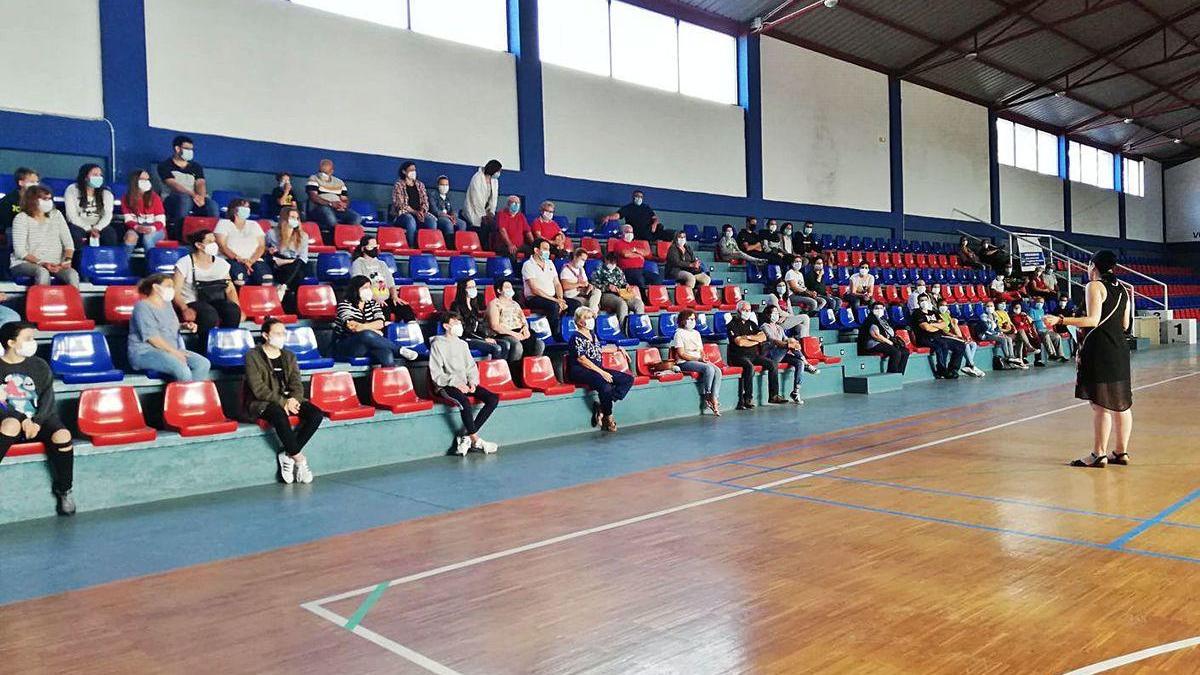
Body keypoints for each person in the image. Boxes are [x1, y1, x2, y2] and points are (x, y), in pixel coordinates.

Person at [1042, 250, 1133, 468]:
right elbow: (1125, 325)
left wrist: (1060, 319)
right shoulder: (1124, 290)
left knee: (1100, 404)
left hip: (1100, 350)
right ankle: (1121, 452)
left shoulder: (1094, 286)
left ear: (1094, 266)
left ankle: (1098, 454)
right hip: (1119, 349)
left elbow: (1092, 320)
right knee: (1121, 403)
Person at [0, 322, 75, 515]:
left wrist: (37, 421)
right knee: (10, 425)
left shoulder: (39, 365)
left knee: (63, 436)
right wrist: (21, 418)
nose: (32, 343)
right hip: (11, 418)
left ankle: (64, 489)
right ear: (11, 342)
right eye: (27, 338)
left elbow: (48, 399)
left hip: (39, 419)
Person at [243, 317, 322, 483]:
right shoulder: (252, 356)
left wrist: (294, 399)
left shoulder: (289, 356)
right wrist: (282, 402)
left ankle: (287, 455)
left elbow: (297, 383)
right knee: (279, 415)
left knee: (316, 415)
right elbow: (258, 389)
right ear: (265, 335)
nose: (282, 336)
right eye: (277, 333)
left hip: (290, 399)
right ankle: (300, 460)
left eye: (283, 333)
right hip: (263, 402)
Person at [430, 312, 500, 454]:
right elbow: (436, 375)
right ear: (446, 326)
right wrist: (455, 383)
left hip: (465, 383)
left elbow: (471, 367)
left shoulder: (462, 344)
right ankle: (475, 439)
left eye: (459, 322)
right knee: (464, 402)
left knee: (493, 398)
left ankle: (467, 437)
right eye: (455, 323)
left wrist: (473, 382)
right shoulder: (437, 344)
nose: (459, 325)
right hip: (446, 385)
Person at [128, 273, 211, 381]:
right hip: (145, 352)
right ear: (156, 287)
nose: (172, 289)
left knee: (203, 364)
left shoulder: (167, 305)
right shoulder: (142, 307)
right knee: (182, 369)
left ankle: (190, 396)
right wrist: (175, 353)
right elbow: (152, 338)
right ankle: (182, 397)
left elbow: (168, 326)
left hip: (170, 350)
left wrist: (185, 326)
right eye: (168, 286)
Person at [567, 307, 633, 432]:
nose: (591, 320)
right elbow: (582, 359)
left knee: (627, 379)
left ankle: (602, 408)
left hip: (596, 369)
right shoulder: (576, 337)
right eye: (587, 318)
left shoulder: (592, 334)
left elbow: (598, 350)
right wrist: (602, 372)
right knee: (606, 386)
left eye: (591, 317)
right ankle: (608, 417)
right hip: (581, 370)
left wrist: (617, 348)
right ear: (579, 322)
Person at [173, 229, 243, 346]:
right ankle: (205, 347)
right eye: (210, 241)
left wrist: (238, 308)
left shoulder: (222, 264)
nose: (214, 244)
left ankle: (226, 346)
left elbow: (230, 288)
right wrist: (184, 308)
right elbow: (175, 292)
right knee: (209, 315)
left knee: (233, 311)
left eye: (214, 241)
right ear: (199, 245)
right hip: (193, 301)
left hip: (215, 299)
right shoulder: (184, 263)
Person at [333, 276, 420, 366]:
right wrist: (371, 330)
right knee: (366, 334)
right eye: (365, 288)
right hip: (346, 346)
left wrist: (363, 327)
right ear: (355, 290)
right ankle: (399, 350)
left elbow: (380, 323)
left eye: (369, 288)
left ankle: (389, 378)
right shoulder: (345, 305)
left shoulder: (373, 304)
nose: (368, 291)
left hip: (368, 345)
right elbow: (352, 326)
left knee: (386, 353)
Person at [9, 185, 79, 286]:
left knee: (72, 274)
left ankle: (73, 302)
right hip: (25, 264)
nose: (48, 202)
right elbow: (20, 252)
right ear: (32, 200)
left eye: (50, 199)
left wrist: (67, 260)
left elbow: (68, 243)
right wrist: (42, 262)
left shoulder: (56, 215)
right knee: (42, 272)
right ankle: (42, 302)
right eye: (44, 199)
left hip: (56, 264)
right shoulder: (21, 218)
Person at [158, 135, 219, 238]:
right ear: (177, 149)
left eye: (191, 149)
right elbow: (173, 184)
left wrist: (201, 197)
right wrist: (193, 195)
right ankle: (180, 236)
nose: (190, 151)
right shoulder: (165, 165)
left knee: (212, 204)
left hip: (194, 197)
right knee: (184, 199)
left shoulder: (196, 167)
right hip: (173, 198)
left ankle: (212, 237)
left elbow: (200, 183)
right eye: (187, 149)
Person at [350, 235, 414, 323]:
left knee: (405, 308)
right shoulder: (358, 263)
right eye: (371, 246)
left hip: (386, 298)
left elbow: (391, 283)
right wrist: (375, 298)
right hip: (370, 300)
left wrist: (395, 297)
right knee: (384, 311)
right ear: (363, 249)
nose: (375, 248)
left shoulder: (382, 263)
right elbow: (359, 286)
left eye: (376, 246)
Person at [726, 301, 776, 409]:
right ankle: (747, 399)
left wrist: (748, 338)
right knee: (749, 367)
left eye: (749, 310)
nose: (747, 312)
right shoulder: (732, 324)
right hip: (738, 356)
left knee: (772, 364)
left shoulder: (751, 323)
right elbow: (740, 342)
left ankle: (774, 395)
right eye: (744, 310)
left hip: (753, 355)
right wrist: (755, 340)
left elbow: (763, 337)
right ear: (738, 311)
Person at [671, 309, 722, 415]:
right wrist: (698, 359)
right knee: (709, 368)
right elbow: (681, 354)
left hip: (699, 359)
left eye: (693, 319)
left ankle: (714, 398)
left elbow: (701, 350)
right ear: (683, 320)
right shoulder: (678, 334)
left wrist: (703, 357)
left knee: (717, 370)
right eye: (689, 319)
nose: (692, 321)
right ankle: (707, 395)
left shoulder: (696, 333)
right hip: (685, 362)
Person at [522, 238, 573, 339]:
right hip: (534, 298)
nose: (548, 252)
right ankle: (555, 335)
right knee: (553, 306)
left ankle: (566, 332)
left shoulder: (550, 263)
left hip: (552, 297)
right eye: (545, 249)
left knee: (575, 304)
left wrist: (560, 299)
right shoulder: (528, 265)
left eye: (549, 249)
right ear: (536, 250)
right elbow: (535, 289)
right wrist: (556, 300)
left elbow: (557, 283)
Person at [760, 305, 810, 404]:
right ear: (768, 314)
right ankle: (807, 362)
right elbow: (773, 341)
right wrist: (790, 344)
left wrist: (793, 342)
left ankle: (796, 391)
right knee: (789, 345)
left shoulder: (779, 328)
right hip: (770, 355)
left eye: (777, 313)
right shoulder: (764, 326)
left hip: (781, 354)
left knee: (799, 363)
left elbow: (786, 339)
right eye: (773, 313)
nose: (776, 315)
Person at [214, 199, 271, 286]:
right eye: (243, 207)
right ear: (234, 209)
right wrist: (238, 258)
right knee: (239, 279)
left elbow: (261, 246)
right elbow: (222, 246)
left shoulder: (254, 225)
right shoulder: (223, 223)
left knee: (266, 279)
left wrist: (251, 261)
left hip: (254, 260)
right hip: (231, 259)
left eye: (248, 207)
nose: (247, 209)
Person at [487, 279, 545, 364]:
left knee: (539, 344)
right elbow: (495, 326)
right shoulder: (494, 304)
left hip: (519, 331)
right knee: (517, 346)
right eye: (507, 287)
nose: (510, 289)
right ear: (499, 290)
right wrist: (514, 334)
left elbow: (523, 319)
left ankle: (530, 371)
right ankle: (514, 371)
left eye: (511, 287)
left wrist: (526, 329)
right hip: (504, 333)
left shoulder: (515, 304)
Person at [911, 293, 967, 379]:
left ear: (929, 301)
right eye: (921, 300)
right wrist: (936, 325)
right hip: (925, 338)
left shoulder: (933, 312)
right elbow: (926, 328)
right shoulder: (917, 313)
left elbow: (944, 324)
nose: (924, 302)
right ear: (918, 303)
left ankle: (953, 369)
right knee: (942, 345)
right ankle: (942, 371)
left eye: (925, 300)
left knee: (960, 345)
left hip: (938, 336)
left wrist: (932, 324)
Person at [64, 163, 118, 249]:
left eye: (100, 175)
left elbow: (108, 215)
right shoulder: (72, 190)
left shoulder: (106, 193)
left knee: (110, 235)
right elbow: (71, 215)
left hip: (99, 226)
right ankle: (77, 261)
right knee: (76, 236)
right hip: (79, 225)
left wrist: (97, 228)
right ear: (85, 177)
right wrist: (88, 229)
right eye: (95, 175)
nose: (98, 177)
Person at [265, 206, 308, 310]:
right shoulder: (272, 233)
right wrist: (270, 251)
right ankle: (291, 308)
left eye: (297, 218)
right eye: (292, 217)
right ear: (284, 218)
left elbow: (303, 258)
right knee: (296, 274)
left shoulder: (303, 236)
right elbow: (265, 250)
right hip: (277, 265)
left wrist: (284, 261)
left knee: (298, 267)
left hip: (293, 264)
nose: (295, 220)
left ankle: (283, 286)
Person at [450, 278, 504, 360]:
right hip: (465, 338)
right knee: (496, 348)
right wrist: (483, 339)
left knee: (505, 344)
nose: (473, 289)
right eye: (470, 287)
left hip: (476, 336)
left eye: (474, 286)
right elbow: (464, 329)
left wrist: (486, 336)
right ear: (463, 289)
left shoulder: (474, 305)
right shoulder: (456, 305)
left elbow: (477, 324)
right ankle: (494, 371)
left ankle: (505, 369)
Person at [305, 159, 361, 235]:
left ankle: (344, 237)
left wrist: (343, 205)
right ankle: (336, 237)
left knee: (356, 218)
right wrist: (330, 204)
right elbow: (313, 197)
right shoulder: (313, 179)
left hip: (337, 208)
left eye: (325, 172)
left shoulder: (339, 182)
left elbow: (345, 199)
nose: (322, 174)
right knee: (331, 219)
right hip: (320, 208)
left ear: (331, 171)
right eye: (321, 171)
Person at [390, 161, 439, 243]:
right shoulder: (399, 185)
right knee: (410, 220)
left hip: (419, 213)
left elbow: (425, 201)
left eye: (414, 170)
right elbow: (400, 204)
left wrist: (422, 211)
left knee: (431, 221)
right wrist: (414, 212)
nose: (414, 172)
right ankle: (411, 246)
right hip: (403, 214)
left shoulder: (420, 185)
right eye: (411, 170)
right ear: (404, 172)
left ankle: (427, 245)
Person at [593, 251, 646, 324]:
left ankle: (639, 326)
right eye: (610, 262)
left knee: (638, 303)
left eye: (614, 262)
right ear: (606, 260)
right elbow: (594, 285)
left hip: (621, 293)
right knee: (622, 304)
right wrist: (607, 287)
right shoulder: (598, 270)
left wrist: (627, 286)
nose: (612, 264)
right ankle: (623, 327)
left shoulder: (618, 270)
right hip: (606, 295)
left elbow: (624, 282)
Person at [121, 169, 167, 252]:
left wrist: (151, 228)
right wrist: (137, 227)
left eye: (147, 180)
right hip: (136, 228)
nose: (146, 182)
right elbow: (128, 220)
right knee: (130, 237)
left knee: (147, 238)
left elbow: (161, 222)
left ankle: (152, 263)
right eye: (142, 179)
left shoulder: (155, 197)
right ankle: (124, 263)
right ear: (135, 181)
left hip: (156, 229)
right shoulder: (126, 198)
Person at [936, 300, 985, 377]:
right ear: (938, 306)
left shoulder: (947, 315)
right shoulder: (937, 315)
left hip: (952, 335)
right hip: (944, 335)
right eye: (941, 305)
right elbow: (943, 331)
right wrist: (955, 336)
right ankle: (971, 365)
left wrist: (960, 336)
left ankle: (968, 365)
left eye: (945, 305)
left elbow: (954, 326)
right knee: (964, 344)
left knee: (973, 344)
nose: (943, 307)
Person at [858, 301, 908, 374]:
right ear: (872, 310)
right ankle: (892, 374)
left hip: (884, 342)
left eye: (881, 308)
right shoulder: (870, 319)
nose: (879, 310)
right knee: (896, 352)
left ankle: (899, 373)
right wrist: (890, 342)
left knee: (905, 351)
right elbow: (876, 335)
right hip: (873, 343)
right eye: (876, 308)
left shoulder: (883, 319)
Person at [607, 223, 660, 291]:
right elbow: (625, 254)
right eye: (627, 232)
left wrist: (634, 250)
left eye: (631, 232)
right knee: (639, 279)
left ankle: (653, 297)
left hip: (640, 270)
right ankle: (643, 298)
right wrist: (638, 255)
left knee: (656, 278)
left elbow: (647, 253)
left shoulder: (635, 243)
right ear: (622, 233)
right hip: (627, 271)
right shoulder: (618, 243)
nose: (630, 234)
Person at [606, 189, 671, 242]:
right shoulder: (628, 208)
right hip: (636, 232)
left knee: (664, 231)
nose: (639, 198)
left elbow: (655, 218)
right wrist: (609, 217)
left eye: (641, 197)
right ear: (633, 197)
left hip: (648, 232)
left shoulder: (646, 208)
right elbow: (618, 215)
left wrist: (654, 224)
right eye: (637, 196)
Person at [463, 159, 502, 240]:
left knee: (495, 224)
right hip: (474, 209)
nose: (499, 173)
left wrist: (491, 212)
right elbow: (476, 199)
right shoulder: (477, 178)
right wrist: (483, 215)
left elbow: (494, 199)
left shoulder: (495, 181)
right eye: (498, 171)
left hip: (486, 210)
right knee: (483, 224)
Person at [977, 302, 1019, 370]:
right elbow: (986, 330)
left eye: (991, 306)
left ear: (994, 307)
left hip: (993, 333)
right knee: (1003, 339)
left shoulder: (994, 316)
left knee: (1008, 339)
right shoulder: (983, 316)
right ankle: (1007, 357)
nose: (990, 308)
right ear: (985, 307)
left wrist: (1000, 333)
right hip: (984, 335)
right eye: (988, 306)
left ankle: (1012, 357)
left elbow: (996, 328)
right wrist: (997, 334)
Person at [0, 167, 39, 239]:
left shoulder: (42, 200)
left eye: (37, 182)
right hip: (14, 232)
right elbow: (4, 225)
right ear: (21, 183)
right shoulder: (7, 201)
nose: (36, 185)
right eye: (32, 182)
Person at [560, 247, 601, 312]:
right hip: (572, 296)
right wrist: (579, 284)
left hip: (582, 293)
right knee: (592, 304)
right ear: (575, 257)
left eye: (584, 260)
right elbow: (565, 286)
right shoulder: (566, 269)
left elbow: (585, 282)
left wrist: (589, 286)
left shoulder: (581, 269)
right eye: (582, 259)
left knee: (597, 292)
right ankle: (592, 313)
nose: (583, 262)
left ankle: (592, 312)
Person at [1027, 297, 1067, 363]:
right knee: (1046, 335)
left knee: (1057, 336)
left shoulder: (1042, 310)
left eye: (1042, 303)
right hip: (1037, 330)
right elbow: (1031, 322)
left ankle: (1061, 355)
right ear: (1035, 302)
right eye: (1038, 302)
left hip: (1044, 329)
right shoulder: (1031, 310)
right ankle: (1052, 355)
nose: (1040, 304)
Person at [995, 300, 1031, 369]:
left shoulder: (1005, 313)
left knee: (1020, 338)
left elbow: (1010, 323)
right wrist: (1005, 330)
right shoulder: (995, 313)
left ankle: (1019, 359)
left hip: (1009, 331)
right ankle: (1010, 358)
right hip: (1003, 332)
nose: (1003, 305)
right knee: (1011, 338)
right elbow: (998, 326)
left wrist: (1014, 329)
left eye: (1004, 303)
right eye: (1001, 303)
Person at [495, 195, 533, 260]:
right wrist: (510, 244)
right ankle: (513, 270)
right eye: (514, 203)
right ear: (508, 204)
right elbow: (502, 231)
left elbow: (528, 231)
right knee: (511, 252)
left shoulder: (521, 216)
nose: (516, 205)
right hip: (505, 245)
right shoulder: (501, 214)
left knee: (533, 252)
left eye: (518, 203)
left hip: (520, 245)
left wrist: (535, 245)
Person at [1010, 302, 1046, 367]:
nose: (1018, 309)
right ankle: (1023, 357)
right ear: (1013, 309)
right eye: (1016, 308)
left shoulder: (1023, 315)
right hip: (1018, 333)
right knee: (1022, 337)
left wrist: (1026, 315)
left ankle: (1038, 360)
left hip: (1027, 332)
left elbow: (1031, 321)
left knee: (1037, 339)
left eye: (1019, 308)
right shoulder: (1012, 316)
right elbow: (1019, 325)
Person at [430, 175, 465, 240]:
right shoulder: (432, 195)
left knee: (462, 223)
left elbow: (454, 209)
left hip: (450, 217)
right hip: (438, 218)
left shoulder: (450, 196)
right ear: (438, 185)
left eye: (446, 185)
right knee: (448, 223)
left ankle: (459, 244)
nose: (444, 187)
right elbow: (435, 211)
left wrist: (454, 216)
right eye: (442, 185)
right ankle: (450, 245)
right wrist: (448, 217)